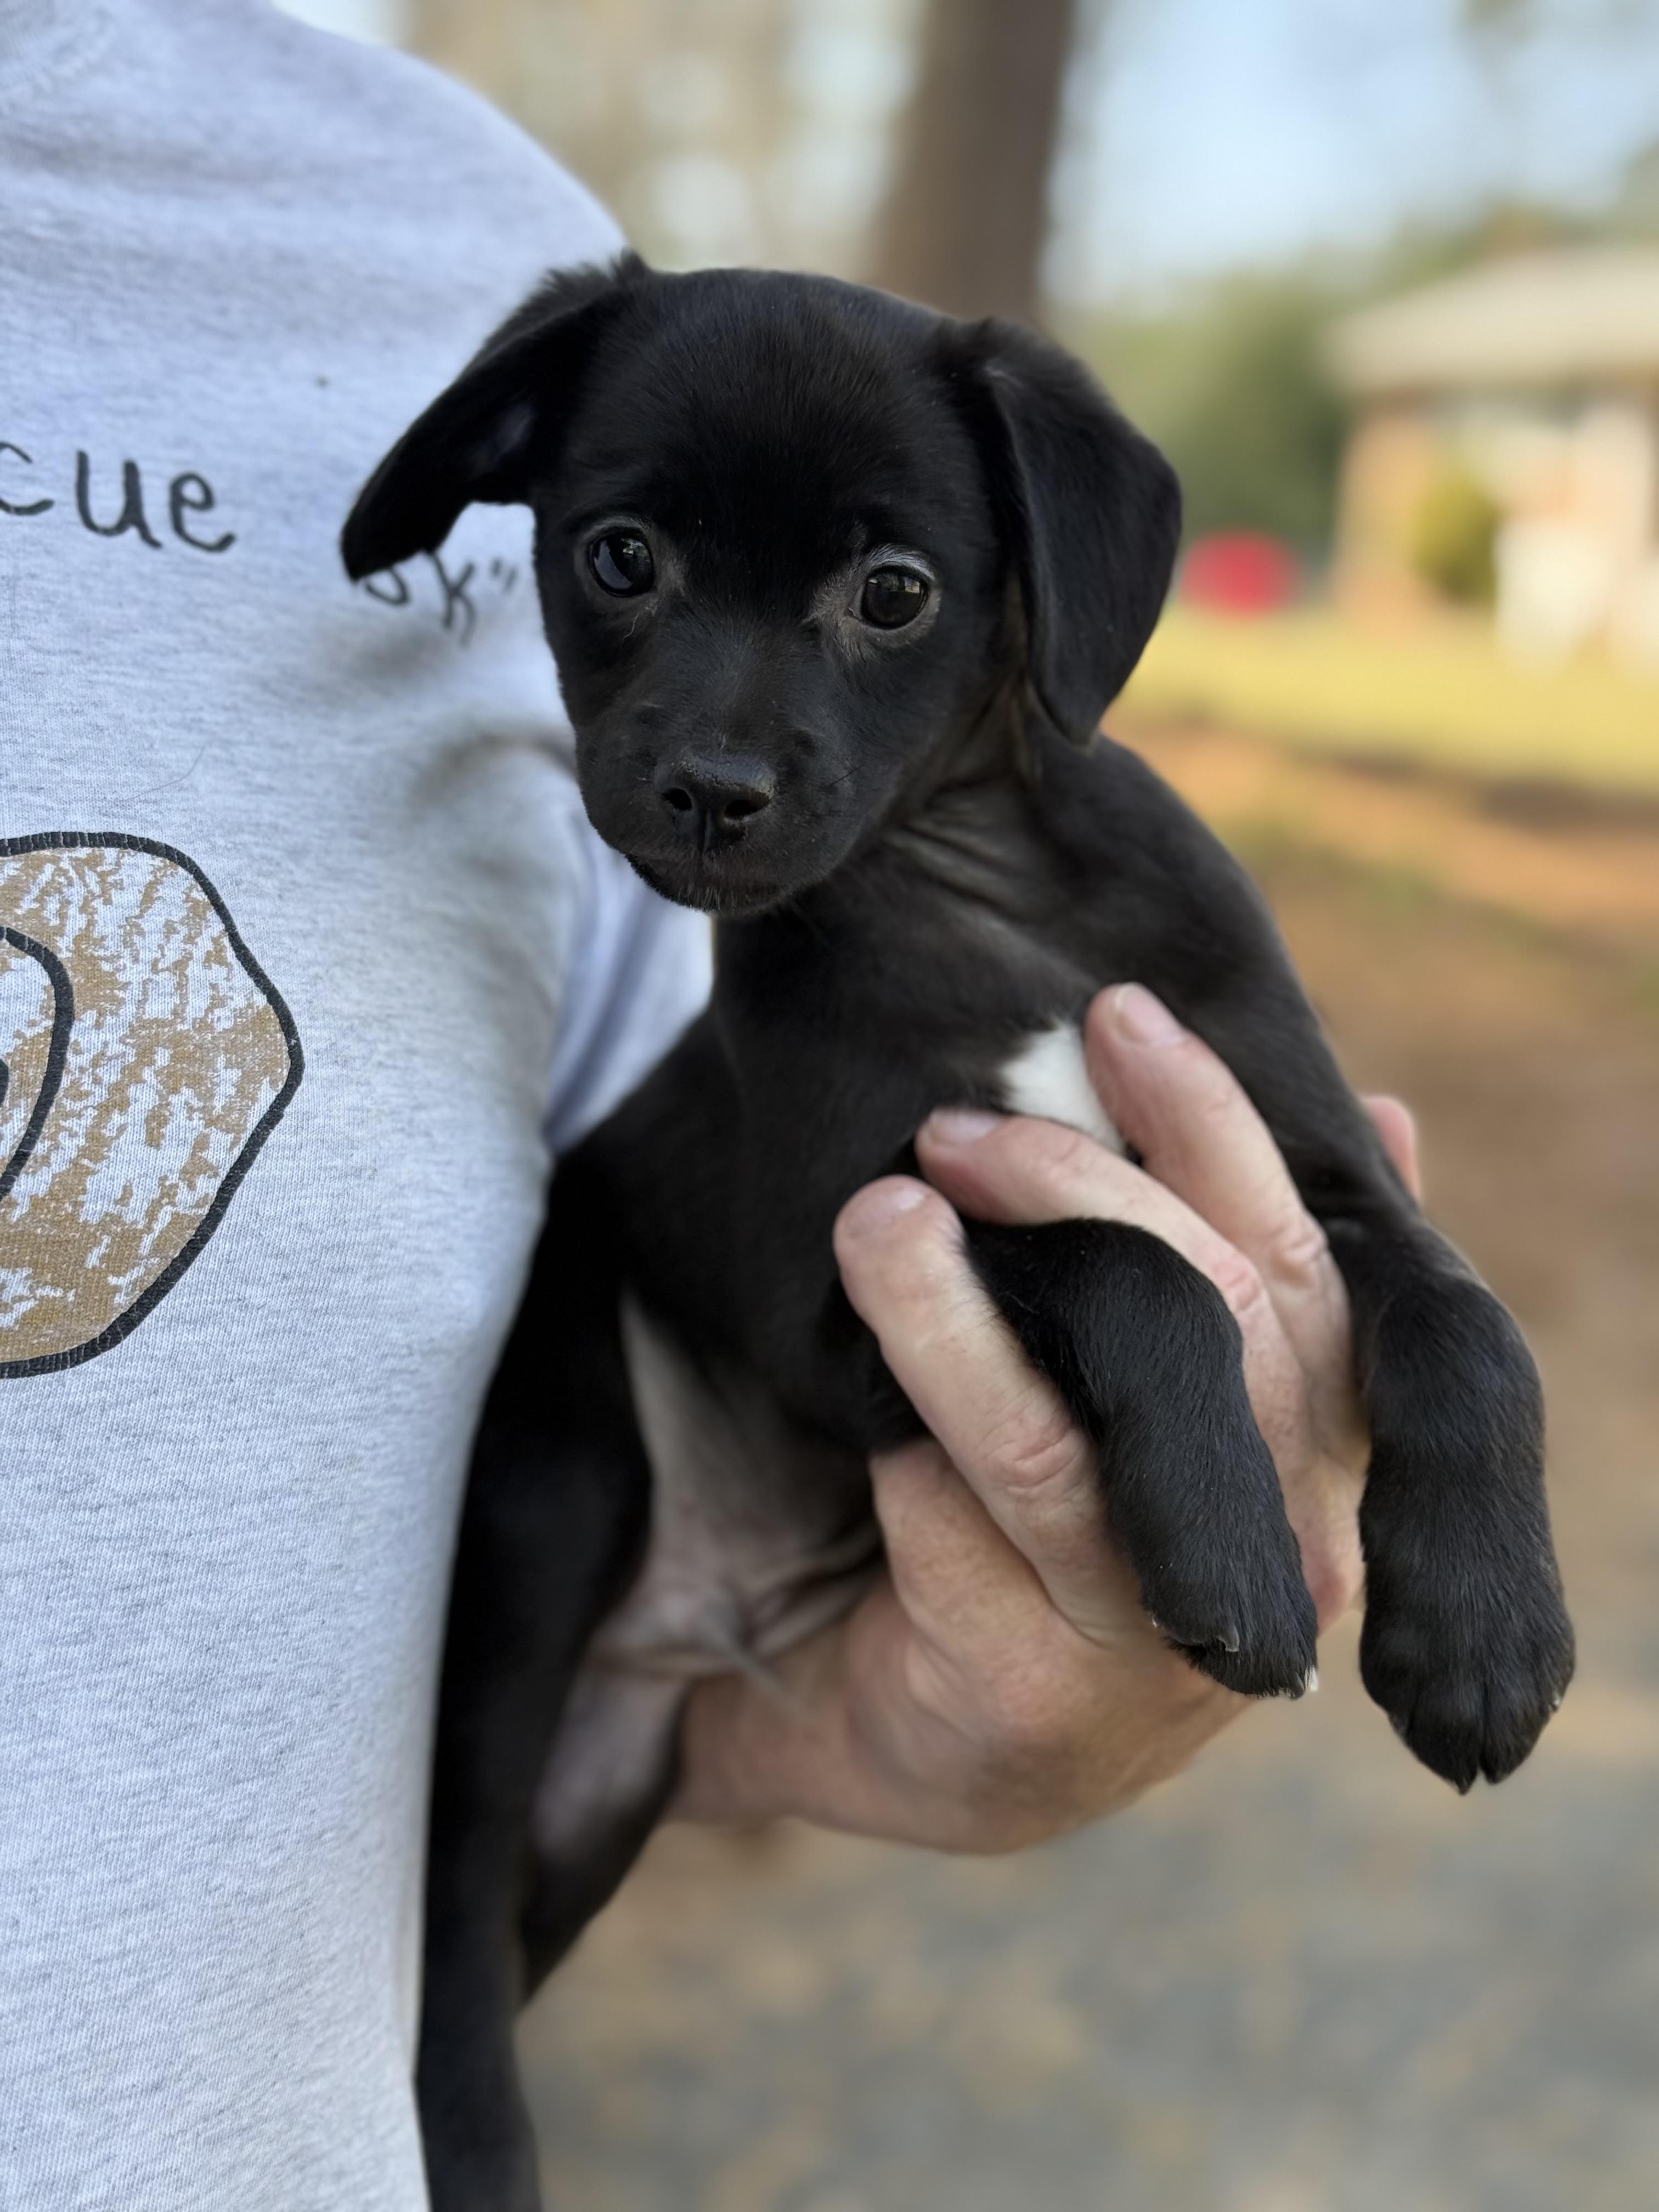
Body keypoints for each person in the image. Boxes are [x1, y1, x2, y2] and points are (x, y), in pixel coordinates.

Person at [0, 3, 1409, 2205]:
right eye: (627, 572)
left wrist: (913, 1667)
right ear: (527, 507)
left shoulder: (429, 234)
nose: (719, 742)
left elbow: (714, 1248)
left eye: (880, 601)